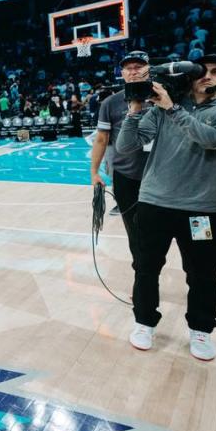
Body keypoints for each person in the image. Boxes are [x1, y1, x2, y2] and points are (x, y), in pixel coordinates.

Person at [116, 54, 216, 361]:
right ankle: (144, 322)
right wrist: (135, 111)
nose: (208, 76)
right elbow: (125, 146)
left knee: (203, 273)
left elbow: (211, 139)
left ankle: (201, 330)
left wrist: (171, 108)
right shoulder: (163, 108)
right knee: (145, 268)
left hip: (203, 209)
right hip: (154, 204)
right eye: (203, 71)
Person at [90, 51, 150, 268]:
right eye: (129, 68)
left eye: (139, 67)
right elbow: (101, 139)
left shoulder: (162, 96)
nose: (134, 72)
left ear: (148, 69)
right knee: (134, 232)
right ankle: (143, 277)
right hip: (126, 176)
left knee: (171, 231)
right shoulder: (110, 103)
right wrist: (94, 172)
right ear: (122, 73)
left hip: (161, 175)